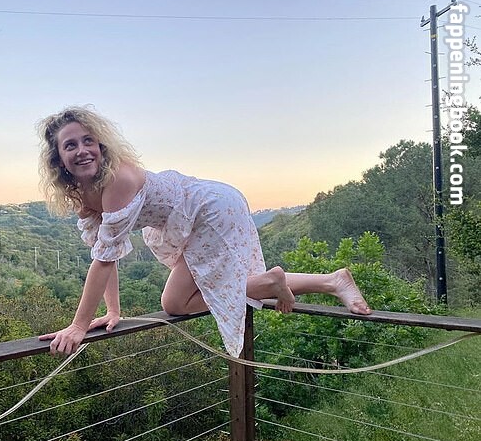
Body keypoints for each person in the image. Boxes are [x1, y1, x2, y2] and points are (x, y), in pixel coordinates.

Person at [37, 106, 371, 357]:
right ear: (59, 158)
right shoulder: (82, 192)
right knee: (231, 284)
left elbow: (105, 261)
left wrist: (79, 326)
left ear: (101, 145)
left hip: (209, 211)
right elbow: (103, 251)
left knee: (175, 302)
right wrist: (112, 311)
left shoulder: (116, 179)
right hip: (197, 213)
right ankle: (331, 281)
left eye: (88, 141)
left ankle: (272, 283)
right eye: (70, 145)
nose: (82, 150)